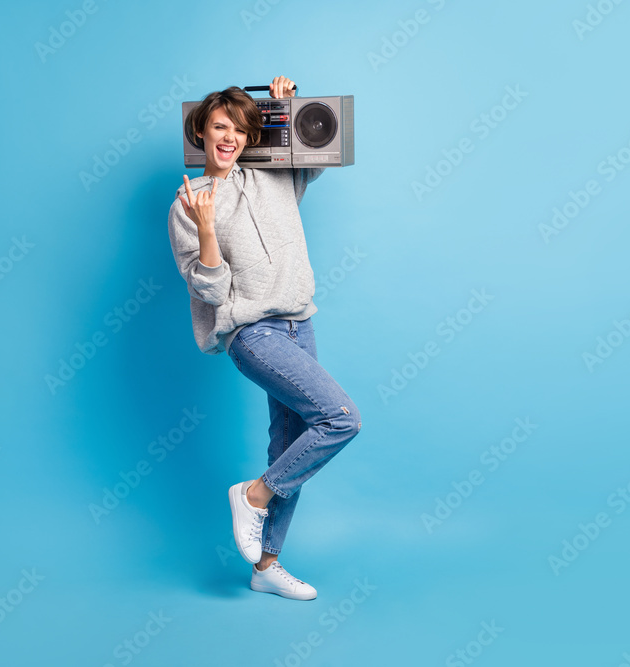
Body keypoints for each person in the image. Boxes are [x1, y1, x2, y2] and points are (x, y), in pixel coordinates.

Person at [166, 76, 362, 601]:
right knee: (341, 419)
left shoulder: (271, 176)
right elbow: (210, 289)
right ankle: (253, 495)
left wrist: (284, 107)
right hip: (252, 331)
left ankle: (266, 566)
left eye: (238, 130)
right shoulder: (188, 201)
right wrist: (206, 227)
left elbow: (315, 156)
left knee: (290, 443)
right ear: (201, 134)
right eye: (219, 127)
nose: (229, 138)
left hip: (301, 322)